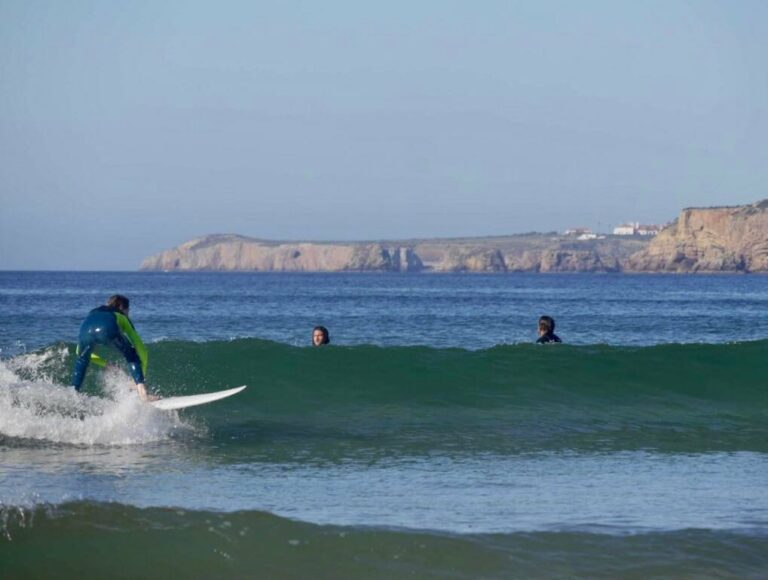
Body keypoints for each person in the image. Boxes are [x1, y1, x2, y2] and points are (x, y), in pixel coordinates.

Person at [71, 295, 156, 401]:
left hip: (86, 329)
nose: (128, 314)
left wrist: (106, 364)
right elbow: (141, 348)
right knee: (132, 355)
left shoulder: (93, 312)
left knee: (82, 359)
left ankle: (73, 395)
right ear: (121, 308)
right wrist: (141, 375)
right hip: (107, 328)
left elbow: (78, 351)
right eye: (128, 311)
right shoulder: (121, 316)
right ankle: (143, 395)